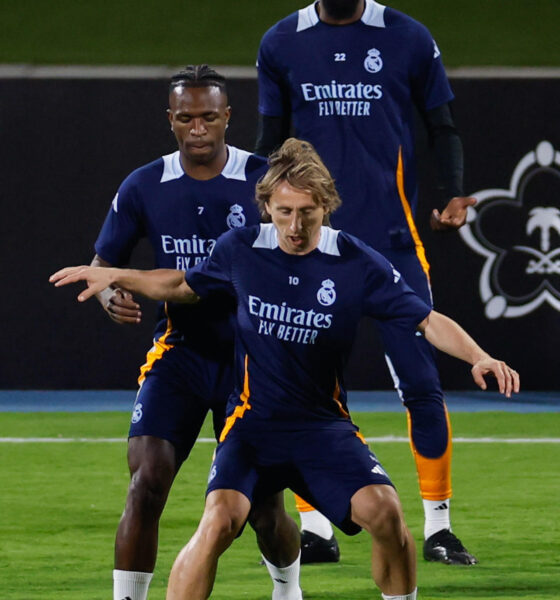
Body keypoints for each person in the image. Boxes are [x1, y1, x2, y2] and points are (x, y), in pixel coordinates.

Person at [51, 138, 520, 600]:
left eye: (307, 213)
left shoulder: (354, 260)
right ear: (267, 206)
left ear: (326, 206)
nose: (295, 226)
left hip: (322, 428)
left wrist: (480, 356)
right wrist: (114, 274)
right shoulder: (240, 249)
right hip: (252, 427)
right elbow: (179, 284)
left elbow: (427, 320)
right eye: (284, 212)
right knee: (217, 522)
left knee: (387, 514)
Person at [255, 0, 480, 565]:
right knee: (302, 389)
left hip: (392, 242)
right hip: (309, 246)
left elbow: (442, 126)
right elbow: (270, 143)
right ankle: (317, 531)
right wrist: (264, 219)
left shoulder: (407, 36)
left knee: (421, 382)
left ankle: (438, 527)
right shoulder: (281, 42)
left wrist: (452, 189)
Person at [89, 65, 301, 600]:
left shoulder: (266, 181)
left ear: (229, 117)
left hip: (252, 358)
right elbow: (103, 265)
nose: (199, 127)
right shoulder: (143, 184)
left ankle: (287, 588)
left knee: (264, 506)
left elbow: (302, 253)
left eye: (209, 116)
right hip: (180, 353)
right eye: (186, 118)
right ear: (171, 121)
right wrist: (109, 295)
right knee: (148, 480)